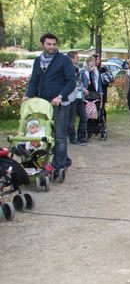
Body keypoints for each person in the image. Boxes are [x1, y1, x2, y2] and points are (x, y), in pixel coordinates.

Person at [23, 32, 75, 178]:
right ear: (42, 44)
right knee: (43, 135)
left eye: (54, 44)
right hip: (42, 104)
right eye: (49, 44)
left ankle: (60, 165)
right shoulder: (38, 60)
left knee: (59, 136)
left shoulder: (64, 60)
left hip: (59, 103)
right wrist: (28, 95)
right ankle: (51, 161)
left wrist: (60, 96)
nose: (52, 47)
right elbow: (34, 80)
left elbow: (71, 81)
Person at [67, 51, 89, 145]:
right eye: (77, 58)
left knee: (84, 117)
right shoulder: (66, 69)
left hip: (79, 96)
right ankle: (72, 138)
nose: (78, 59)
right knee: (71, 119)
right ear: (71, 59)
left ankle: (81, 137)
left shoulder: (77, 69)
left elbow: (78, 82)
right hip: (71, 97)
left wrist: (83, 89)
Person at [94, 54, 112, 139]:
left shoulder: (103, 68)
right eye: (96, 59)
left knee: (102, 109)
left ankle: (103, 127)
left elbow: (108, 80)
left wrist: (103, 73)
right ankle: (94, 127)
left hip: (102, 92)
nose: (98, 61)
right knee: (93, 110)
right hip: (93, 93)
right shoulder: (90, 69)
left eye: (98, 59)